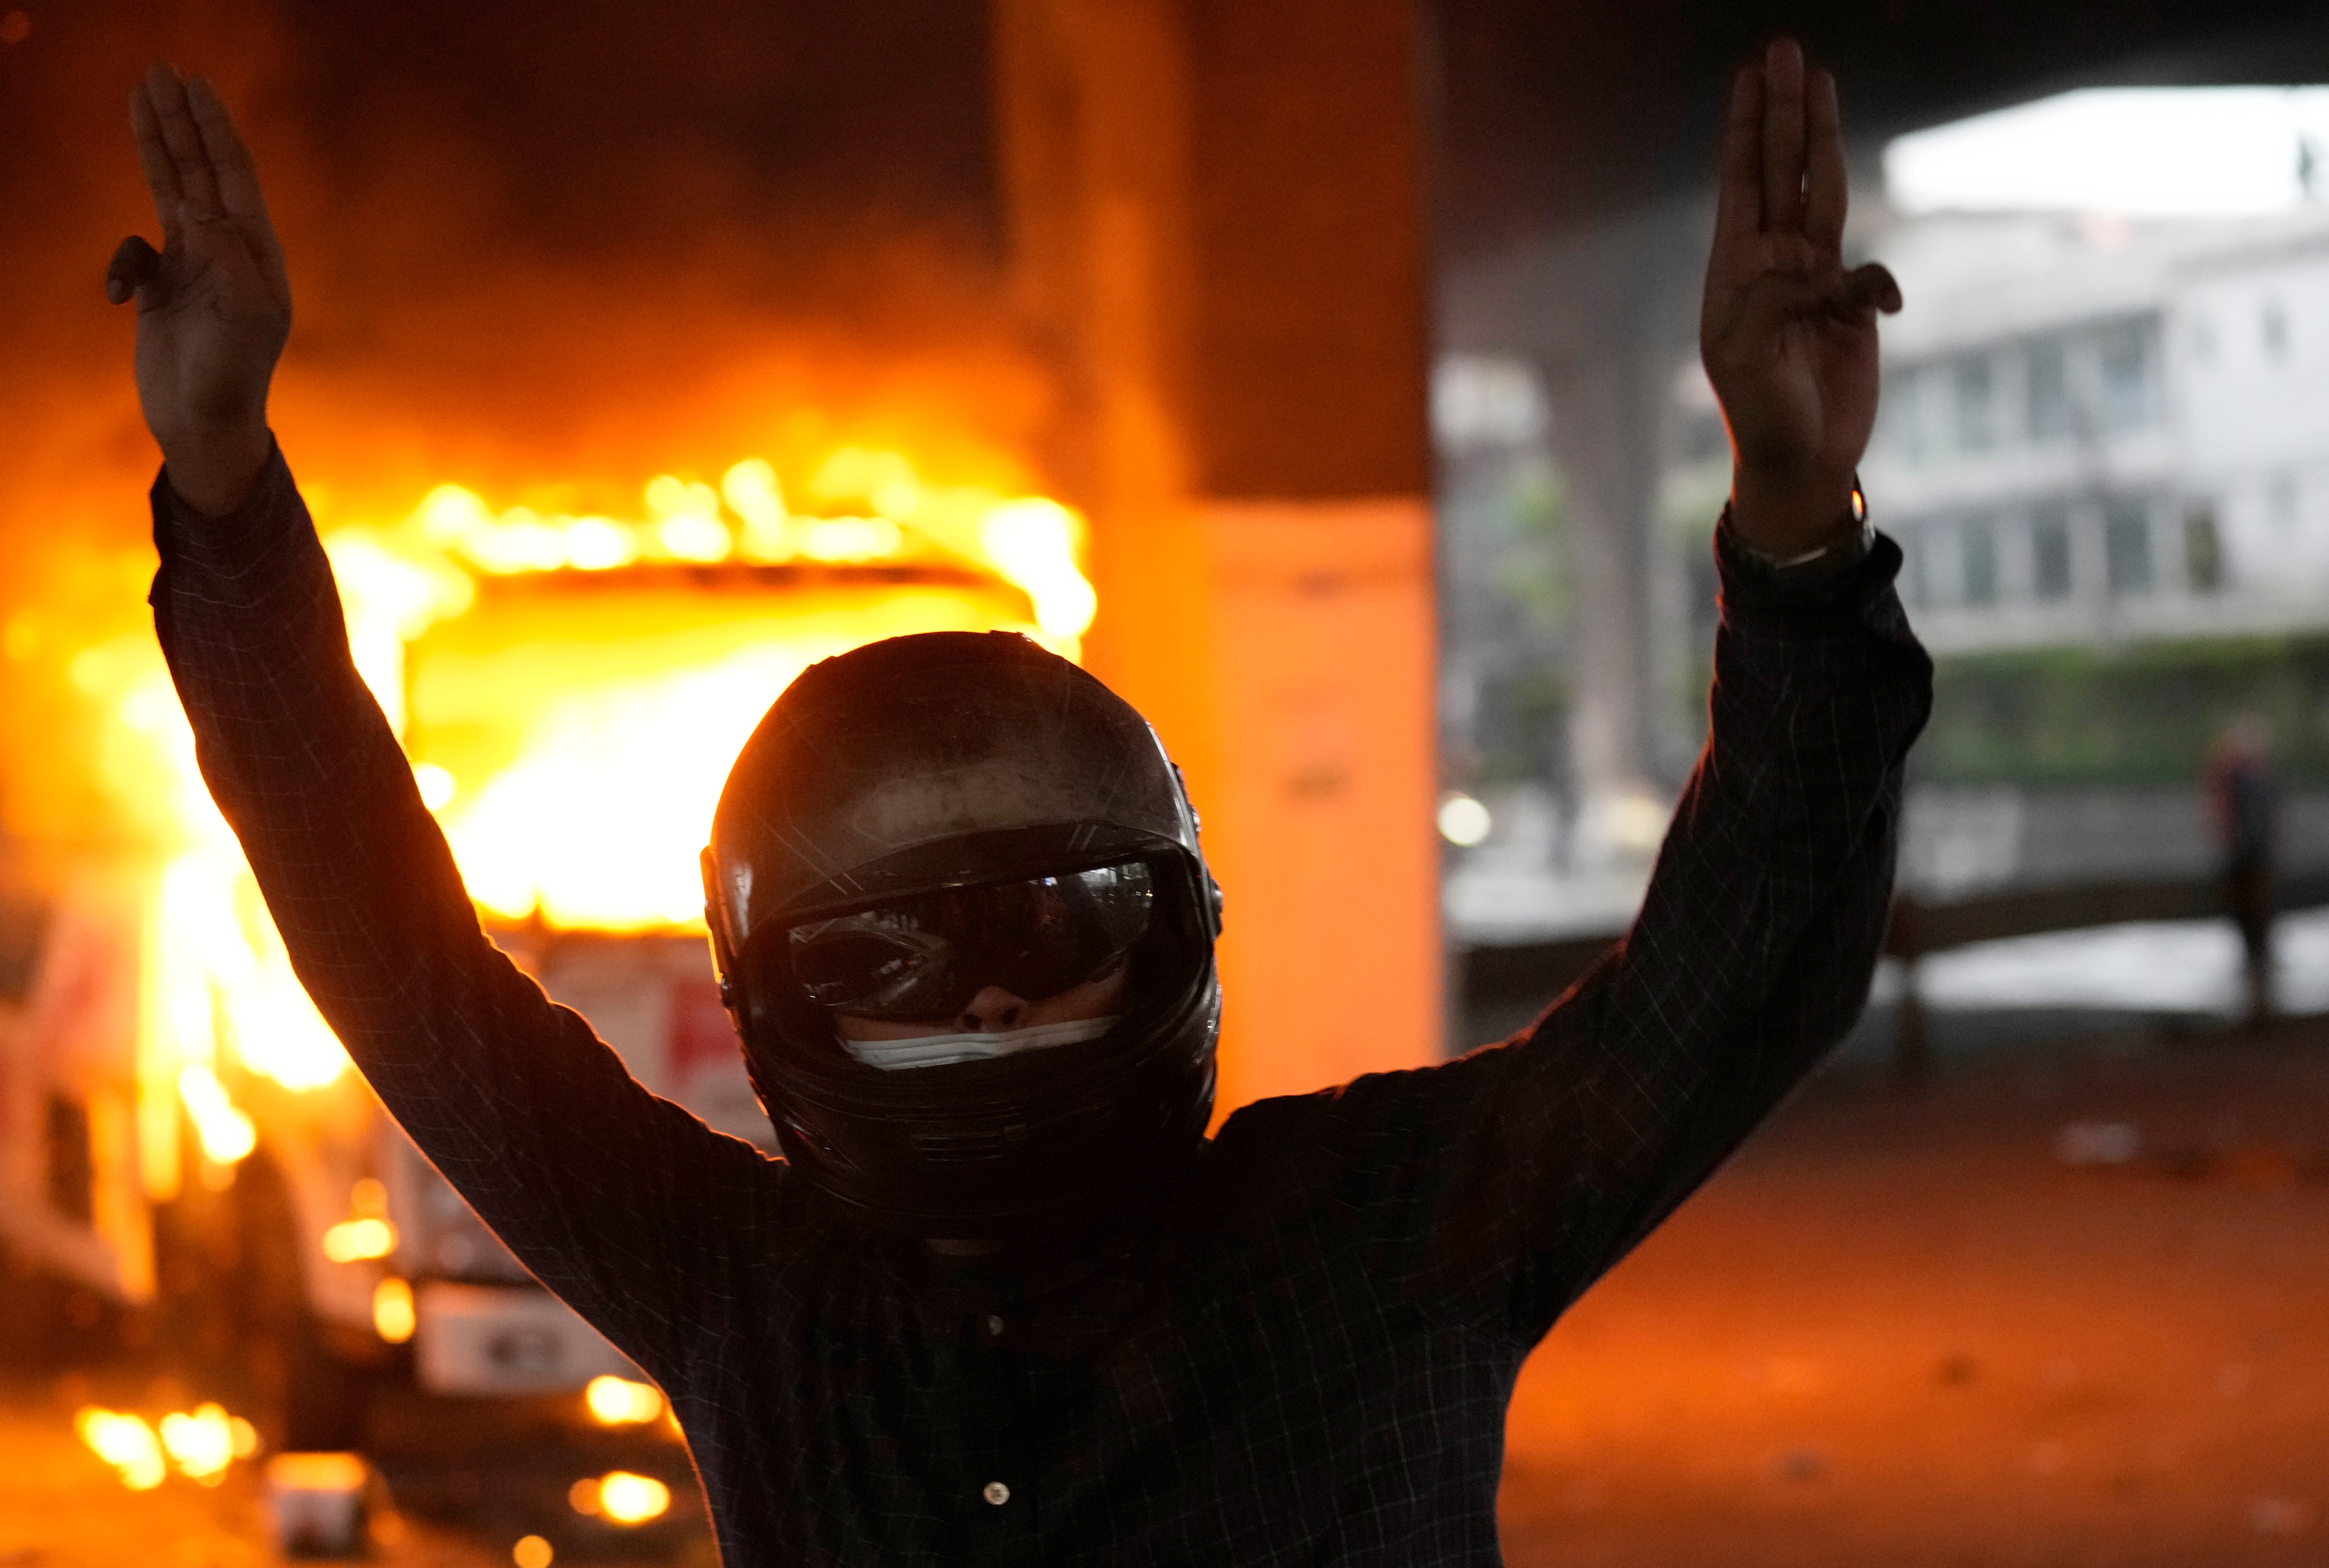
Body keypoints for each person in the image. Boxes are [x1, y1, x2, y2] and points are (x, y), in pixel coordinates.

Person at [112, 39, 1926, 1566]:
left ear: (1174, 931)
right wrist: (223, 487)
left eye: (1054, 919)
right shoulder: (757, 1294)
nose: (983, 993)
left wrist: (1791, 522)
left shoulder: (1382, 1232)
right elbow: (394, 958)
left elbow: (1740, 972)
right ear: (776, 999)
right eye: (891, 949)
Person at [2205, 715, 2279, 1028]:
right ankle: (2257, 966)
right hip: (2248, 855)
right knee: (2248, 912)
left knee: (2253, 912)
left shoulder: (2247, 778)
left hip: (2250, 855)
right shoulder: (2243, 776)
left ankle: (2258, 968)